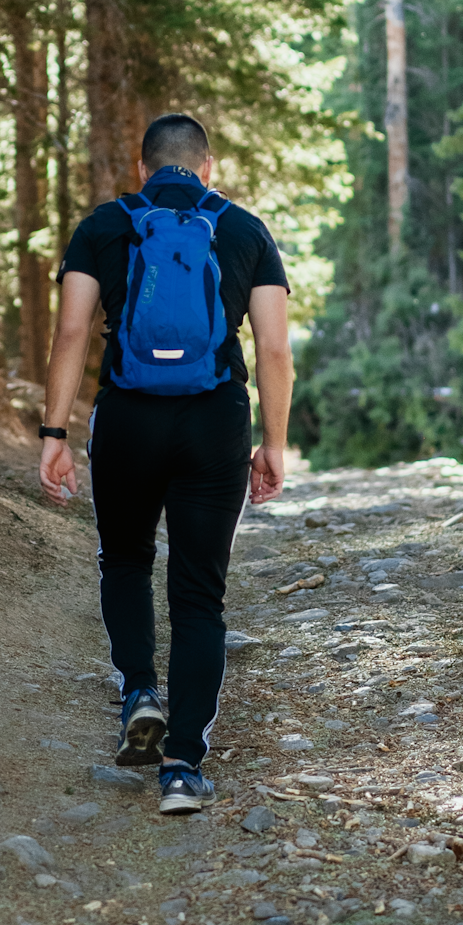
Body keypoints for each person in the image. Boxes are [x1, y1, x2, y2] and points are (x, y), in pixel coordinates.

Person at [38, 113, 292, 814]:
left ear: (141, 166)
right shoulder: (243, 229)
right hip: (213, 423)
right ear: (208, 167)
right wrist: (272, 441)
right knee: (199, 596)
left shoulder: (105, 226)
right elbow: (273, 349)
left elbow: (71, 330)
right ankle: (182, 767)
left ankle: (139, 693)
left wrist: (53, 432)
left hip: (127, 419)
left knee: (123, 559)